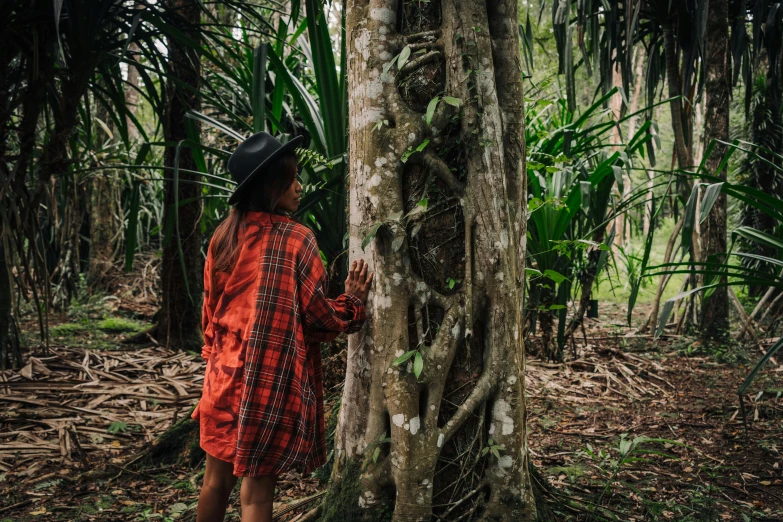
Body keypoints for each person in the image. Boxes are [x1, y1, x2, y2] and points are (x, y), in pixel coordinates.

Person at [192, 132, 373, 522]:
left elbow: (209, 314)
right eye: (291, 179)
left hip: (221, 378)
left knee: (214, 482)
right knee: (255, 496)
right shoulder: (297, 239)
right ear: (271, 186)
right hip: (267, 380)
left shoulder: (222, 237)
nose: (299, 186)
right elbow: (319, 318)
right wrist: (353, 302)